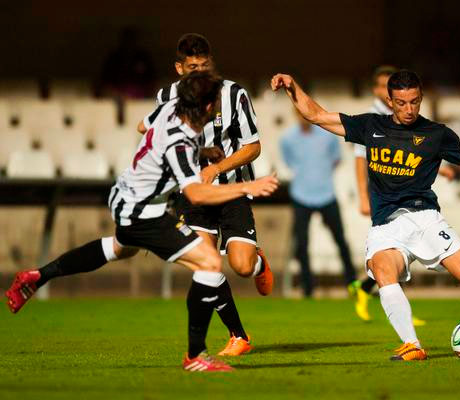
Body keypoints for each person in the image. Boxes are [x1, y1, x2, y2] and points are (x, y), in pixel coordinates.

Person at [272, 69, 460, 361]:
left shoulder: (436, 134)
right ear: (390, 101)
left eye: (414, 101)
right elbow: (316, 115)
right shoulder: (370, 126)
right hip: (386, 225)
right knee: (383, 270)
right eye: (401, 102)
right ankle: (412, 344)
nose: (409, 109)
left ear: (421, 98)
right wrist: (292, 86)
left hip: (424, 218)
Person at [5, 71, 279, 372]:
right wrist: (246, 187)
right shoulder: (182, 142)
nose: (215, 108)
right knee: (210, 263)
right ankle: (196, 355)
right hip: (146, 214)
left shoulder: (167, 113)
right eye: (213, 103)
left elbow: (146, 128)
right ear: (205, 107)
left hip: (124, 200)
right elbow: (196, 194)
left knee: (119, 249)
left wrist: (202, 152)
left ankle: (38, 276)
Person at [139, 33, 273, 356]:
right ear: (179, 68)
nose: (199, 71)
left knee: (240, 266)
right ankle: (238, 335)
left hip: (230, 188)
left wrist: (216, 167)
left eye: (204, 65)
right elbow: (150, 131)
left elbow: (253, 147)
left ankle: (257, 264)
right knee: (206, 265)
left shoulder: (234, 94)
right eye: (192, 67)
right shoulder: (166, 97)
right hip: (193, 193)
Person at [348, 66, 427, 326]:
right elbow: (360, 159)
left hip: (402, 193)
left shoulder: (403, 115)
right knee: (397, 249)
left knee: (400, 249)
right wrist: (362, 196)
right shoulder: (374, 119)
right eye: (381, 87)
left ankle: (365, 288)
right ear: (377, 91)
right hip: (383, 196)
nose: (385, 92)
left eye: (387, 86)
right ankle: (377, 294)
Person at [280, 109, 356, 297]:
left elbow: (336, 159)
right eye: (299, 114)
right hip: (301, 195)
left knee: (340, 240)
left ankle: (352, 284)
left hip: (326, 194)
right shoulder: (287, 139)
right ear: (295, 116)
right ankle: (308, 289)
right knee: (302, 244)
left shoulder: (328, 136)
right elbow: (289, 163)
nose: (303, 117)